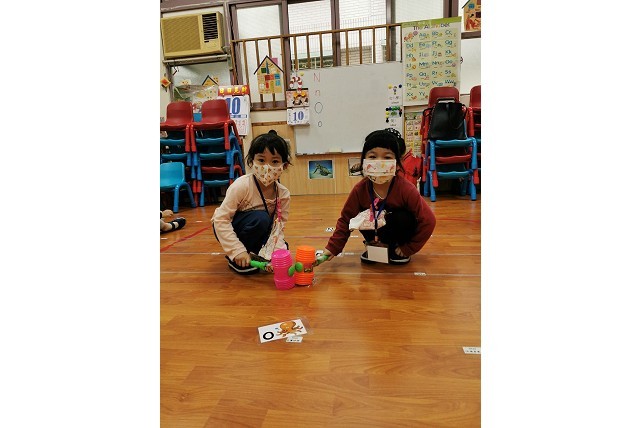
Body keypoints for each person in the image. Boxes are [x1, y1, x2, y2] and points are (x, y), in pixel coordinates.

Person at [321, 129, 436, 265]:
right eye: (372, 157)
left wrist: (409, 248)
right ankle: (374, 246)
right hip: (374, 235)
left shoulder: (406, 189)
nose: (379, 162)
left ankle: (394, 248)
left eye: (387, 158)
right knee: (363, 216)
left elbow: (428, 220)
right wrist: (333, 248)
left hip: (399, 235)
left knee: (403, 218)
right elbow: (346, 219)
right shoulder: (360, 190)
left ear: (398, 163)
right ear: (363, 162)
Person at [212, 130, 292, 274]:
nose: (267, 167)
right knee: (261, 218)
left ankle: (254, 252)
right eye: (261, 160)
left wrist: (276, 251)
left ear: (284, 165)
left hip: (256, 228)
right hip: (229, 227)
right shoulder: (241, 186)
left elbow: (278, 227)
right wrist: (237, 251)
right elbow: (221, 220)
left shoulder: (283, 194)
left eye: (274, 161)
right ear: (251, 161)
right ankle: (237, 257)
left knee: (282, 247)